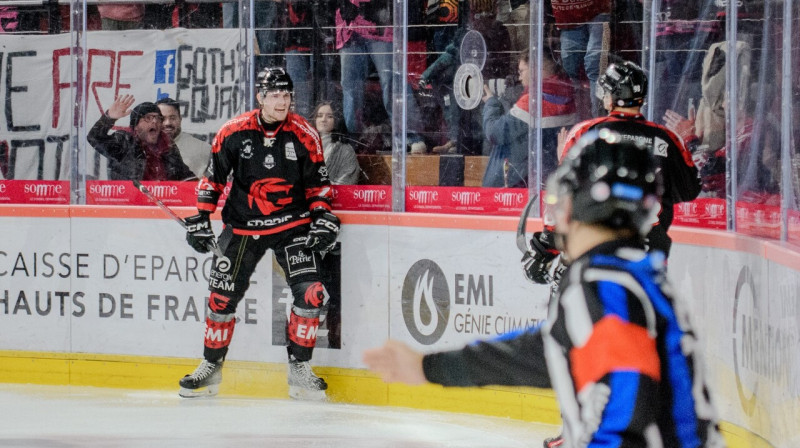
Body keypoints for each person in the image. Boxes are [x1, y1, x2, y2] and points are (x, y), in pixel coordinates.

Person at [364, 130, 726, 448]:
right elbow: (544, 352)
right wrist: (430, 368)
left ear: (579, 205)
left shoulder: (604, 286)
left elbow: (628, 398)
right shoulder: (632, 274)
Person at [178, 67, 340, 401]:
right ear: (260, 98)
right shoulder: (233, 131)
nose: (282, 102)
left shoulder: (305, 133)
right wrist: (201, 217)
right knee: (221, 299)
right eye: (275, 95)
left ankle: (299, 369)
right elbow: (213, 179)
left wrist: (323, 217)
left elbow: (319, 187)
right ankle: (210, 367)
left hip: (293, 225)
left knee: (311, 293)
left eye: (287, 95)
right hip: (241, 225)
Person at [481, 48, 577, 188]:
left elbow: (494, 133)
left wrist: (491, 103)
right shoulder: (566, 98)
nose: (519, 78)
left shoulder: (533, 102)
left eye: (521, 71)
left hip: (514, 185)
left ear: (537, 70)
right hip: (543, 182)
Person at [87, 95, 196, 181]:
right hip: (132, 204)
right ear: (136, 126)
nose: (154, 121)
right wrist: (109, 118)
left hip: (163, 204)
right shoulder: (125, 142)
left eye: (158, 118)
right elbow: (94, 137)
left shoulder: (168, 146)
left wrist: (203, 188)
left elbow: (185, 177)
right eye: (148, 118)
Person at [156, 97, 212, 178]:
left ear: (180, 119)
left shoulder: (201, 148)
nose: (167, 123)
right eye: (162, 118)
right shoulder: (146, 148)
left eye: (172, 118)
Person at [311, 101, 360, 185]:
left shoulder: (345, 149)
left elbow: (346, 183)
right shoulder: (303, 145)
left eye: (329, 116)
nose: (323, 120)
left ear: (336, 120)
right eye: (319, 116)